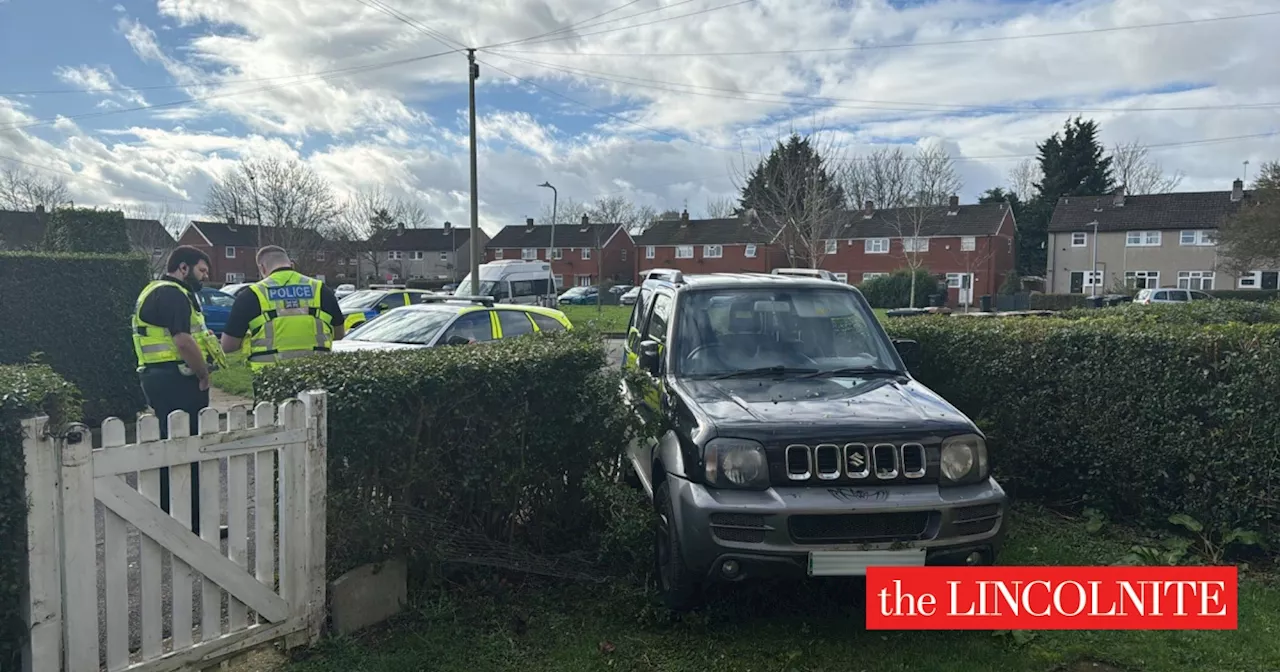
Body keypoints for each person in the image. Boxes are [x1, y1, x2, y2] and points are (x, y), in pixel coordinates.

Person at [132, 245, 228, 536]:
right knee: (189, 449)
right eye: (201, 270)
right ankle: (195, 524)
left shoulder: (155, 290)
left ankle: (169, 518)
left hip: (159, 378)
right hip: (178, 379)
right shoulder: (173, 293)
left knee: (169, 447)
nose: (205, 276)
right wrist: (202, 375)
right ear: (183, 268)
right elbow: (184, 341)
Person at [220, 245, 344, 375]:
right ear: (292, 265)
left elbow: (228, 346)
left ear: (262, 268)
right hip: (316, 372)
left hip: (270, 377)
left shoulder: (251, 295)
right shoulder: (321, 289)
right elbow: (339, 334)